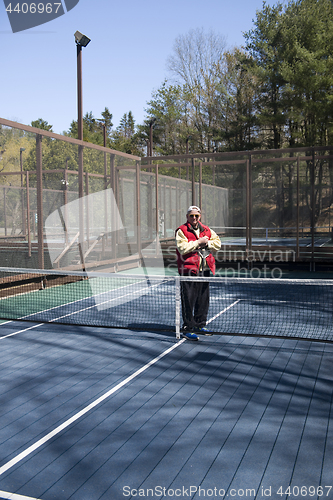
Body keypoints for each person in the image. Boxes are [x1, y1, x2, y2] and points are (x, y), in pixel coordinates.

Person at [175, 205, 221, 340]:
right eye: (191, 216)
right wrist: (199, 242)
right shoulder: (181, 231)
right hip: (188, 271)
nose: (194, 218)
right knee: (188, 300)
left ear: (199, 216)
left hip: (204, 270)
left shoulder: (207, 230)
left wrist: (207, 244)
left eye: (196, 216)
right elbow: (183, 248)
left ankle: (200, 325)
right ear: (187, 217)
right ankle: (188, 328)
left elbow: (217, 244)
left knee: (203, 299)